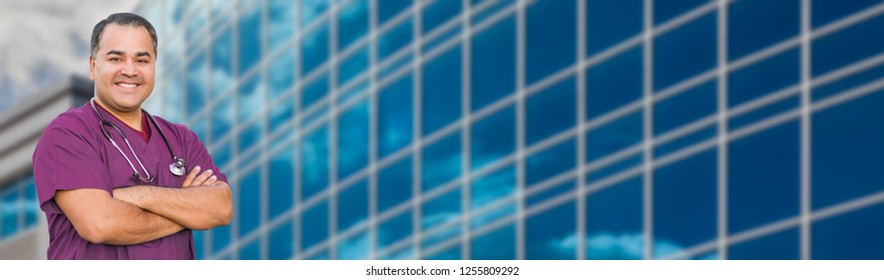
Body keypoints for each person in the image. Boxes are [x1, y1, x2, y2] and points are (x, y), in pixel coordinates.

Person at [32, 13, 232, 260]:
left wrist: (138, 195)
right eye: (116, 58)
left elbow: (221, 208)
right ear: (94, 66)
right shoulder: (68, 134)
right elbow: (100, 224)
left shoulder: (180, 139)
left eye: (141, 60)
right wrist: (186, 211)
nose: (130, 70)